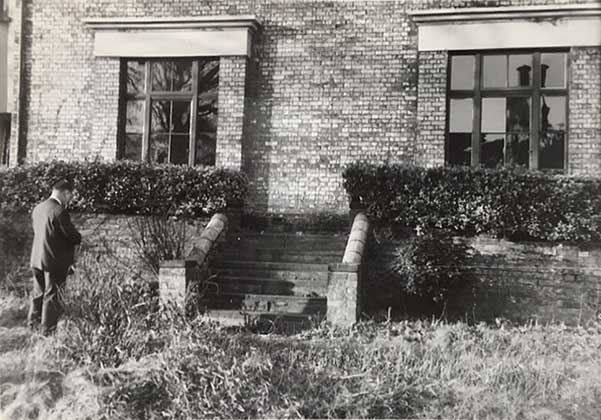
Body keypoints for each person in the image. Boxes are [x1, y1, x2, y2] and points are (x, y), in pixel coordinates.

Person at [28, 179, 82, 335]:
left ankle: (33, 327)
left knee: (38, 293)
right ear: (65, 193)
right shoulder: (59, 211)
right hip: (54, 261)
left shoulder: (38, 208)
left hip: (37, 259)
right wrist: (78, 238)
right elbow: (72, 236)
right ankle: (47, 332)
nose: (70, 199)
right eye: (70, 195)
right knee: (52, 297)